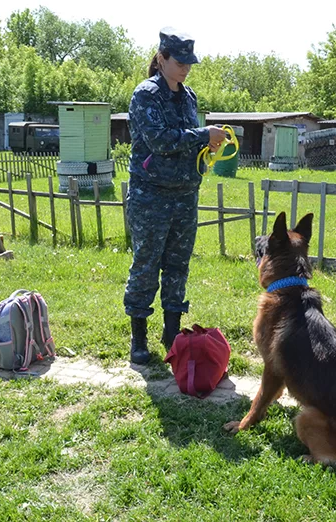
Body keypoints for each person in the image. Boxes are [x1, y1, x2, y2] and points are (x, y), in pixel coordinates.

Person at [124, 27, 227, 364]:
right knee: (146, 265)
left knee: (178, 266)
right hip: (151, 196)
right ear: (161, 58)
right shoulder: (146, 95)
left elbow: (187, 140)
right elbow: (161, 141)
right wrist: (202, 134)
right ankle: (139, 338)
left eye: (189, 63)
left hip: (184, 195)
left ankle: (171, 333)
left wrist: (208, 146)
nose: (185, 68)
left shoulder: (188, 96)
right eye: (179, 62)